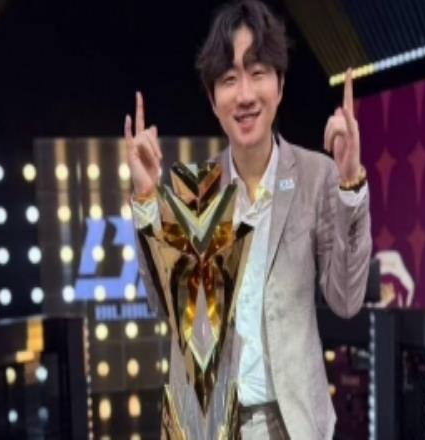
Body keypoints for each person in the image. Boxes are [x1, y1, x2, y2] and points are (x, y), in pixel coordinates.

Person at [126, 0, 371, 438]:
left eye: (257, 73)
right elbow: (165, 307)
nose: (244, 95)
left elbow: (347, 299)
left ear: (279, 84)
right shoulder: (196, 191)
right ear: (212, 99)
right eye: (228, 79)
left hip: (292, 424)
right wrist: (147, 200)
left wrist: (350, 183)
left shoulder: (316, 175)